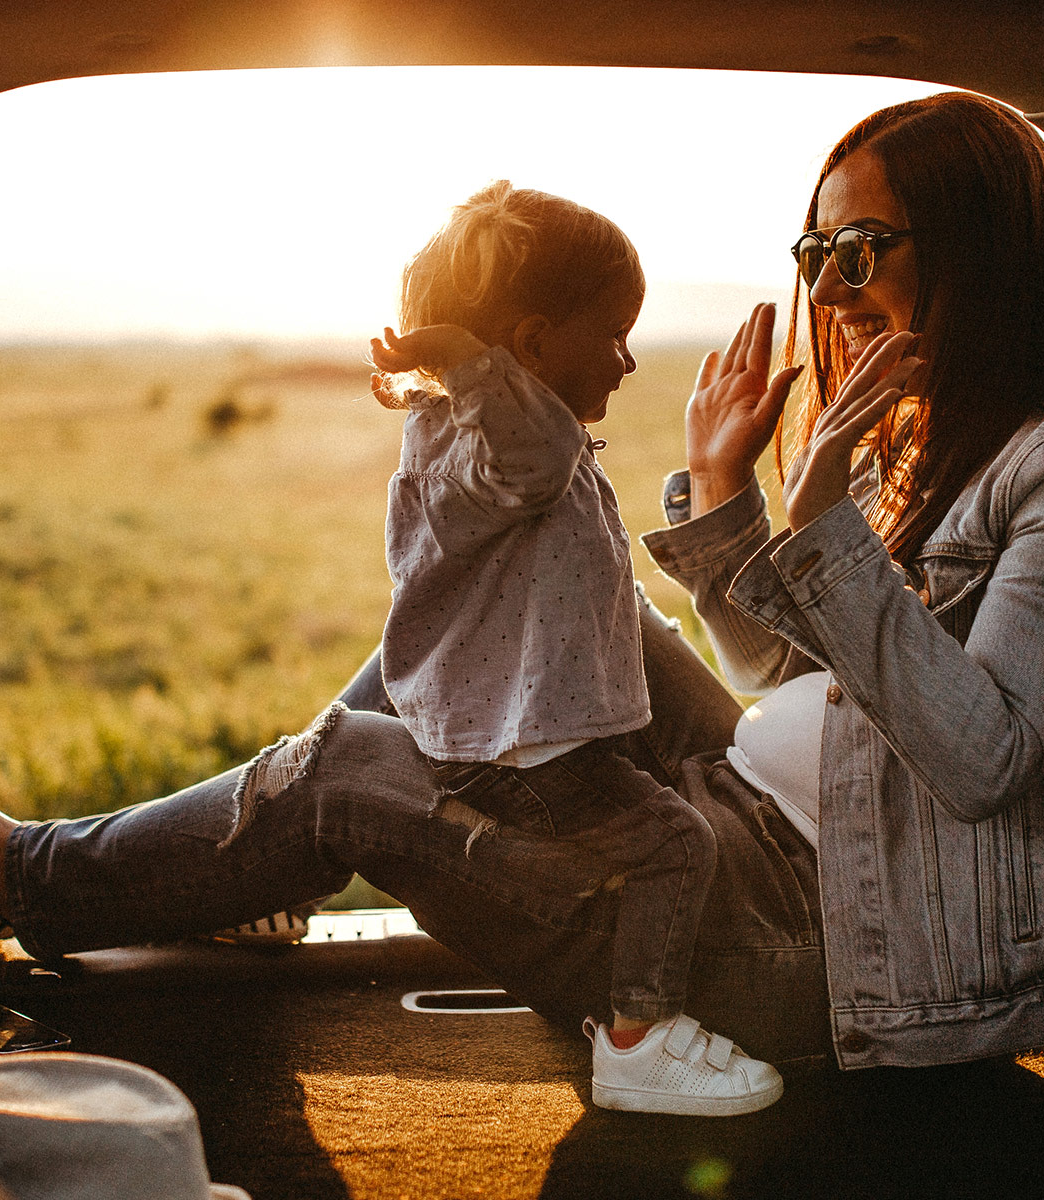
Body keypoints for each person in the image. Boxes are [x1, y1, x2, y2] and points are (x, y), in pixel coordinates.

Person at [0, 89, 1044, 1085]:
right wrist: (727, 491)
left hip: (822, 947)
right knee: (506, 611)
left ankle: (40, 880)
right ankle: (261, 863)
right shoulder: (946, 442)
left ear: (982, 253)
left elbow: (983, 757)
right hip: (770, 811)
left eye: (863, 250)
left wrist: (821, 517)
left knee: (346, 773)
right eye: (815, 247)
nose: (829, 288)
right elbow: (790, 684)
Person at [362, 182, 780, 1114]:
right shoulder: (487, 453)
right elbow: (535, 458)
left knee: (656, 826)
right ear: (538, 343)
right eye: (615, 333)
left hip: (535, 732)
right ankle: (639, 1036)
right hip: (528, 749)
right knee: (677, 841)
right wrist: (475, 366)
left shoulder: (500, 442)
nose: (630, 360)